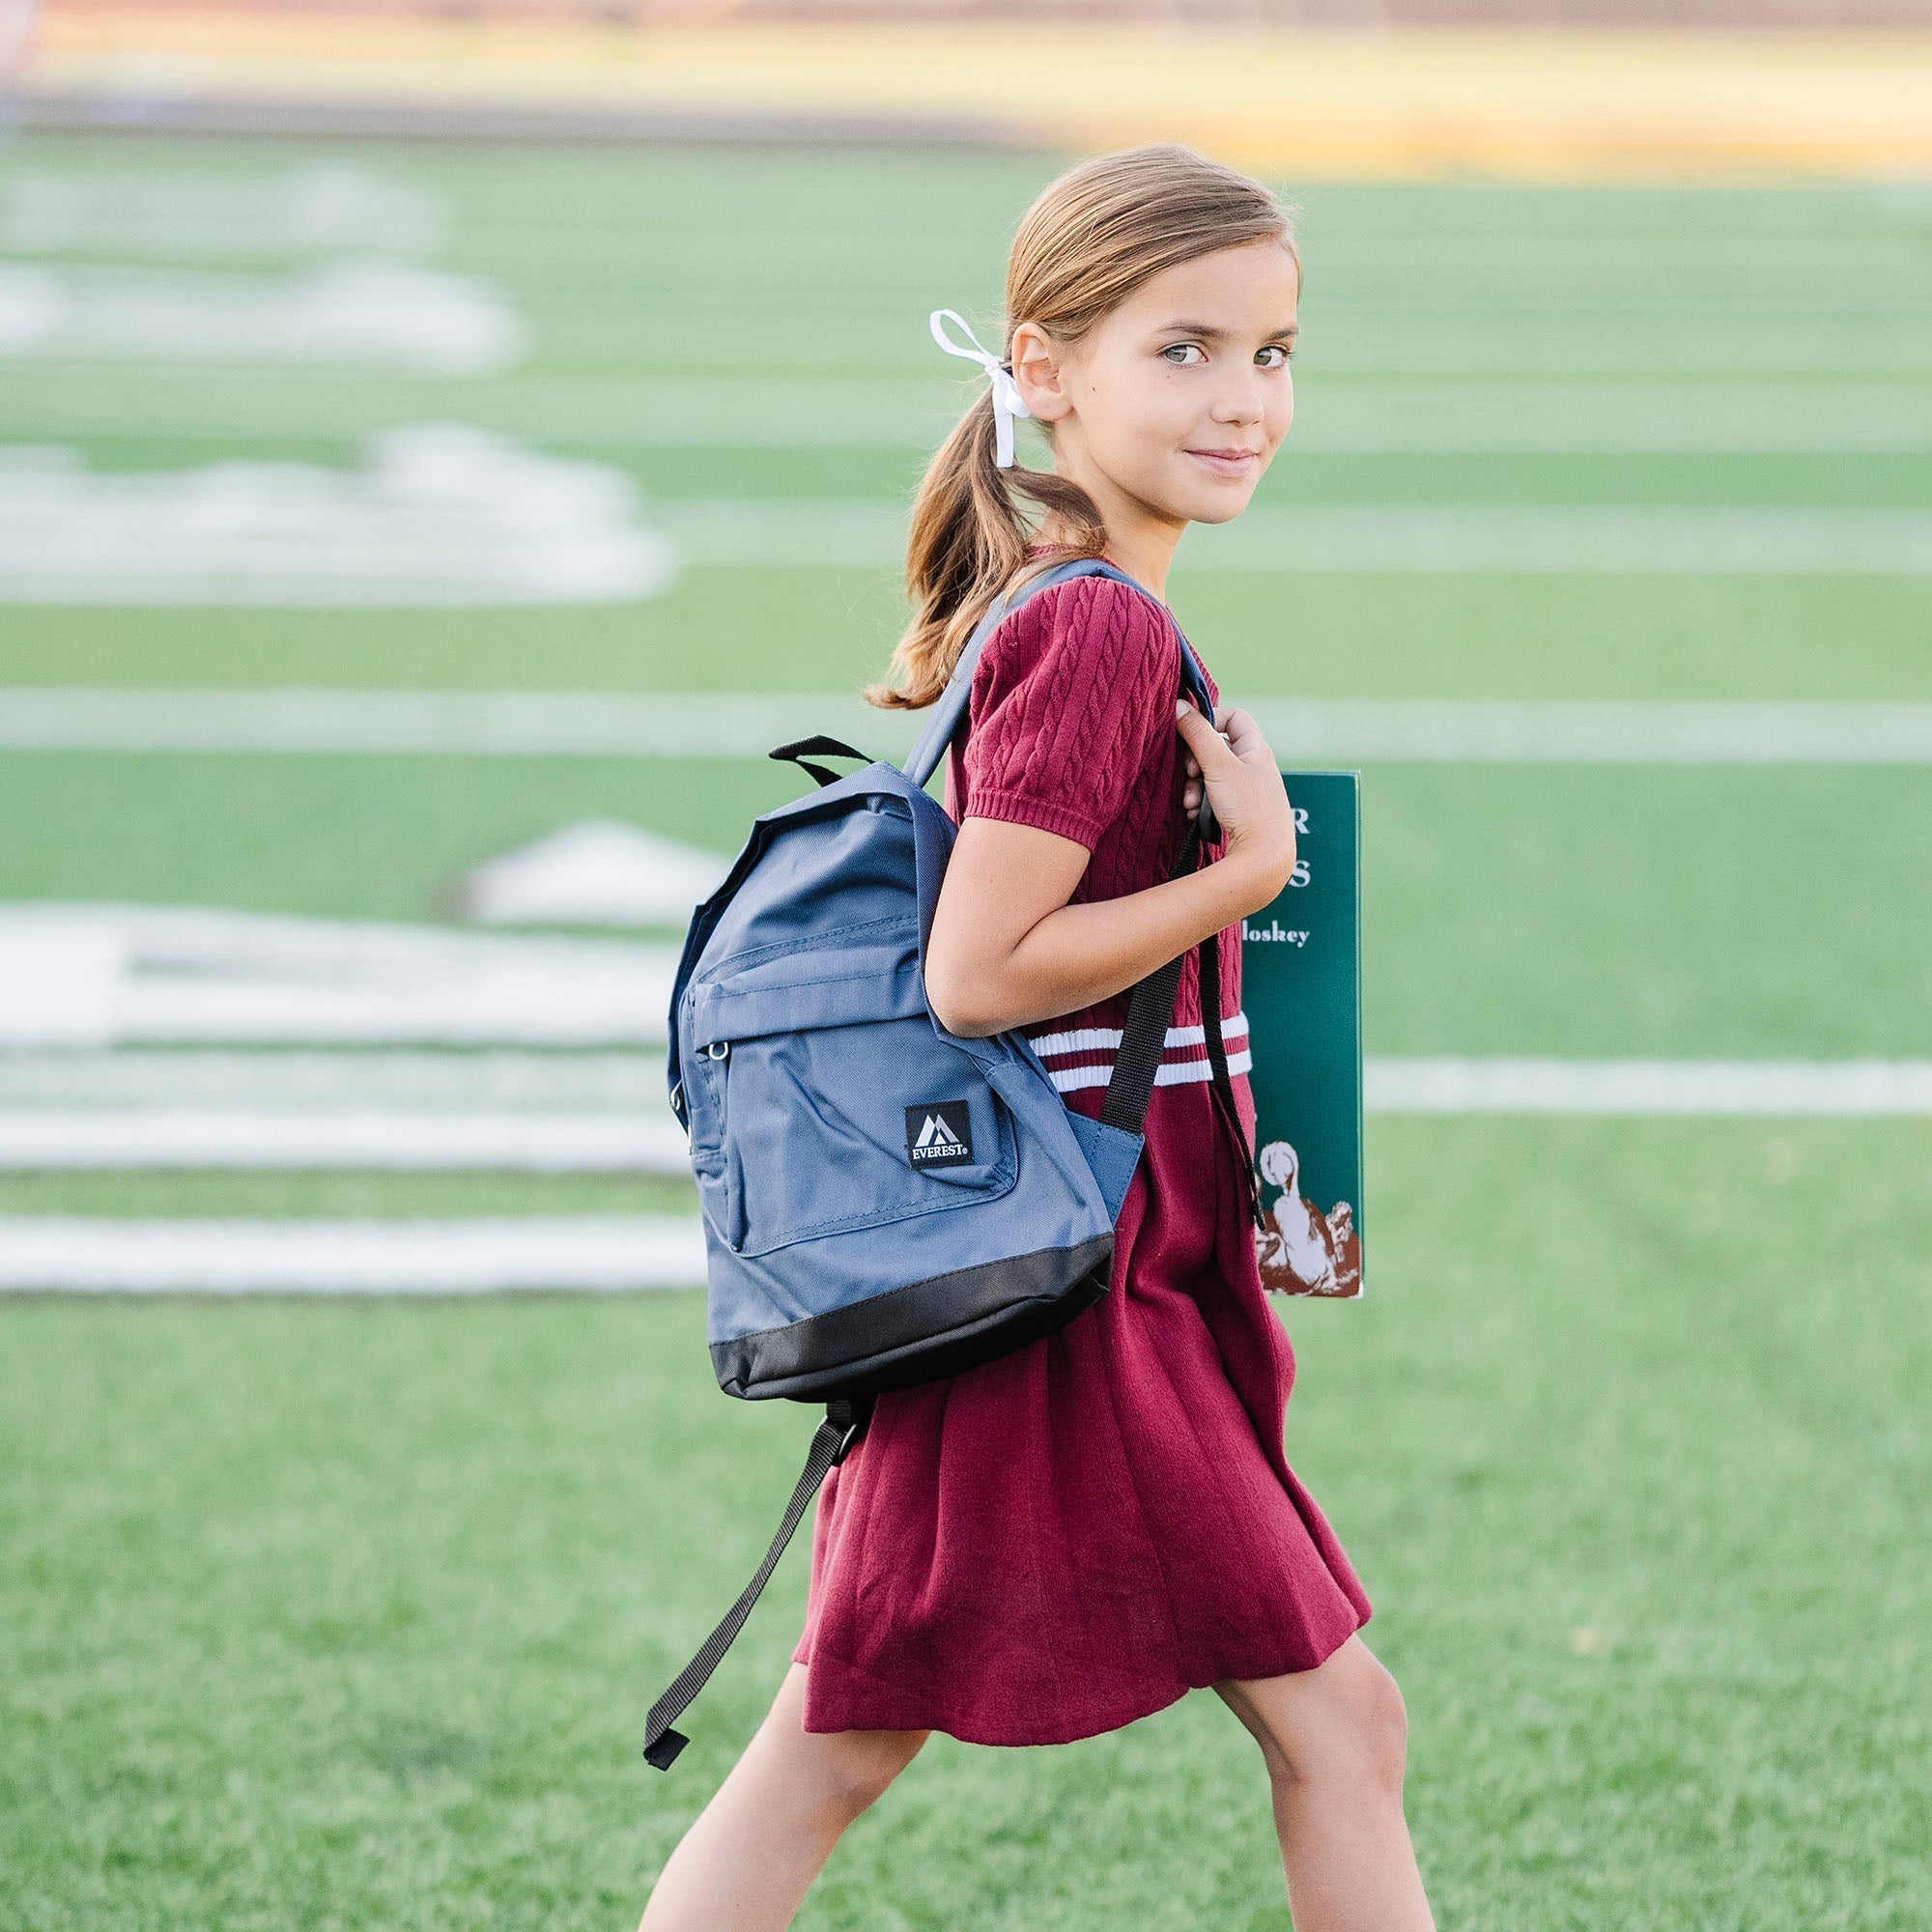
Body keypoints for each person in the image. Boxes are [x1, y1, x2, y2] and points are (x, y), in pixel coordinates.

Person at [639, 143, 1435, 1932]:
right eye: (1185, 349)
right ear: (1046, 366)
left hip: (1093, 1264)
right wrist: (1247, 876)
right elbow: (981, 974)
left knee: (854, 1735)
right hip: (1075, 1291)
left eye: (1274, 353)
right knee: (1310, 1725)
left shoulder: (1078, 601)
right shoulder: (1093, 627)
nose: (1243, 399)